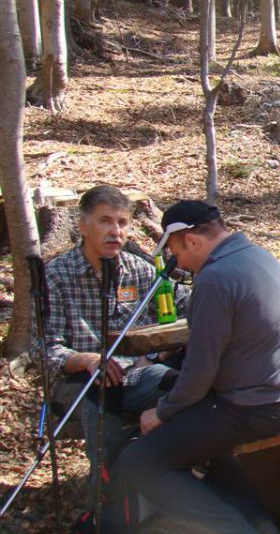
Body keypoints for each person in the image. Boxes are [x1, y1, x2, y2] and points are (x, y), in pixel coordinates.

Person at [115, 200, 280, 534]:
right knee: (204, 445)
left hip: (253, 406)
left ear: (190, 240)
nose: (178, 265)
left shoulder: (216, 278)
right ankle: (261, 526)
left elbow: (200, 374)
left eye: (174, 252)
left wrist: (162, 413)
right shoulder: (256, 256)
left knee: (140, 461)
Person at [36, 185, 190, 478]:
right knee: (100, 400)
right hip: (80, 384)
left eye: (122, 223)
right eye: (105, 221)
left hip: (139, 374)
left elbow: (184, 302)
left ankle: (171, 481)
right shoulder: (56, 276)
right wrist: (88, 360)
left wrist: (228, 289)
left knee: (185, 386)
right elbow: (44, 348)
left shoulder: (138, 269)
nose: (115, 231)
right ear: (83, 226)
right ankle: (108, 492)